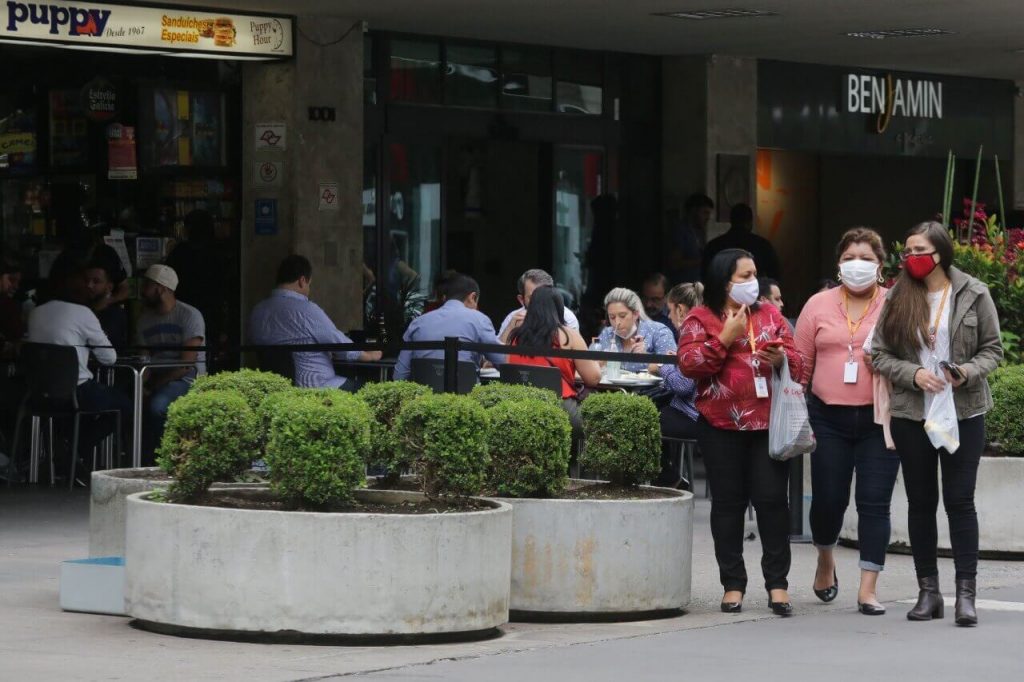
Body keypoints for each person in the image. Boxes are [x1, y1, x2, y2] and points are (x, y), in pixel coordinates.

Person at [872, 221, 1002, 626]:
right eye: (908, 251)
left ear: (940, 253)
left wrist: (965, 371)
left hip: (963, 412)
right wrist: (912, 374)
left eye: (920, 250)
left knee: (960, 501)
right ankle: (928, 591)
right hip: (913, 412)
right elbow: (878, 354)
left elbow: (992, 350)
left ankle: (966, 594)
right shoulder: (897, 296)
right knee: (921, 502)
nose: (912, 257)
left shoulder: (974, 292)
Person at [678, 248, 801, 616]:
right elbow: (688, 365)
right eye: (745, 276)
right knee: (728, 505)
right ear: (723, 280)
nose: (754, 283)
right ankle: (733, 584)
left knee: (772, 502)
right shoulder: (700, 318)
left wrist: (782, 360)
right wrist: (724, 338)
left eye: (755, 275)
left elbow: (799, 361)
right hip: (720, 425)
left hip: (767, 424)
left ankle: (777, 584)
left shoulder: (770, 314)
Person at [794, 227, 896, 616]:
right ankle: (825, 559)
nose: (858, 265)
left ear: (880, 266)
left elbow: (910, 355)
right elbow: (800, 365)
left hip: (878, 419)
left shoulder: (895, 303)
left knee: (875, 504)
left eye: (867, 258)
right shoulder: (817, 305)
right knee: (828, 500)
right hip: (827, 416)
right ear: (839, 265)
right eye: (850, 258)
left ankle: (868, 588)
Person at [26, 258, 131, 472]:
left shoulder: (35, 313)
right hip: (76, 392)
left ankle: (69, 448)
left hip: (38, 396)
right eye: (85, 280)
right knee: (125, 406)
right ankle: (77, 448)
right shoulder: (82, 313)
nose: (89, 286)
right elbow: (109, 358)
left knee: (78, 414)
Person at [248, 255, 382, 390]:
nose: (308, 290)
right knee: (369, 390)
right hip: (318, 387)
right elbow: (339, 345)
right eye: (309, 285)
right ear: (302, 281)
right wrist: (370, 355)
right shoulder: (305, 309)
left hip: (278, 391)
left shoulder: (257, 311)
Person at [507, 286, 601, 434]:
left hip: (520, 406)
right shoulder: (568, 335)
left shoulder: (515, 336)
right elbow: (593, 378)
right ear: (559, 308)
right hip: (560, 408)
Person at [136, 264, 205, 461]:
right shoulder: (144, 319)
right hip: (155, 378)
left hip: (186, 379)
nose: (142, 291)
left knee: (157, 406)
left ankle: (161, 459)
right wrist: (141, 386)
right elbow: (144, 359)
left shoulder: (189, 315)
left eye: (146, 286)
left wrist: (153, 386)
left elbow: (186, 365)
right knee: (128, 404)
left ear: (160, 289)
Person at [394, 274, 506, 380]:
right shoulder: (479, 319)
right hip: (465, 397)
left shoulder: (417, 323)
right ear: (473, 297)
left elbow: (399, 375)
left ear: (445, 297)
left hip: (423, 396)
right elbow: (503, 362)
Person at [648, 282, 703, 487]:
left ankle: (670, 480)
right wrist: (678, 360)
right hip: (697, 410)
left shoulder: (693, 331)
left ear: (680, 309)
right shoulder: (703, 327)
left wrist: (661, 366)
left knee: (643, 423)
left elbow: (683, 385)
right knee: (653, 410)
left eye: (670, 310)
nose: (669, 316)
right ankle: (667, 478)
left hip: (693, 413)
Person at [596, 287, 676, 373]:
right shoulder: (606, 334)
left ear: (635, 314)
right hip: (611, 387)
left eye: (622, 316)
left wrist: (646, 357)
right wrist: (599, 363)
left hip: (651, 387)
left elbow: (672, 366)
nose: (617, 322)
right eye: (612, 317)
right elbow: (589, 365)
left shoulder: (658, 331)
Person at [702, 204, 781, 282]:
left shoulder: (714, 245)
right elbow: (775, 274)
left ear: (731, 220)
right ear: (750, 222)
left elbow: (706, 274)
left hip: (724, 292)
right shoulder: (762, 245)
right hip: (755, 291)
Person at [498, 269, 580, 340]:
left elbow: (571, 353)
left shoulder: (567, 317)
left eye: (545, 296)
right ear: (521, 300)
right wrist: (510, 328)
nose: (540, 301)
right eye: (533, 297)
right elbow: (496, 355)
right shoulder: (514, 318)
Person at [667, 193, 713, 284]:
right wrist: (702, 261)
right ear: (693, 211)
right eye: (704, 213)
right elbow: (675, 263)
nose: (708, 218)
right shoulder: (680, 231)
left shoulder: (699, 231)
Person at [84, 263, 128, 349]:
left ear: (109, 287)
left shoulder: (117, 316)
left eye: (96, 281)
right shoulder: (77, 313)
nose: (89, 285)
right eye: (86, 281)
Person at [640, 273, 677, 340]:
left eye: (655, 299)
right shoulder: (634, 315)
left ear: (667, 297)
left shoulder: (677, 318)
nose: (648, 304)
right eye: (645, 298)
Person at [1, 259, 25, 358]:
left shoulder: (10, 304)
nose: (15, 286)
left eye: (17, 282)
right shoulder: (8, 305)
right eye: (11, 279)